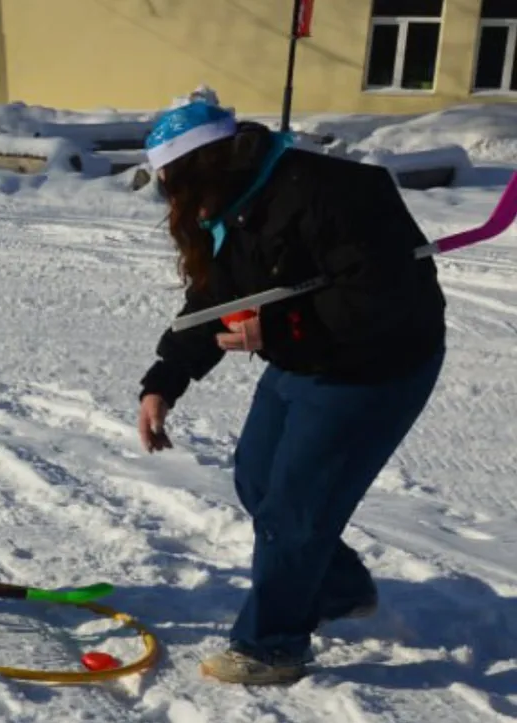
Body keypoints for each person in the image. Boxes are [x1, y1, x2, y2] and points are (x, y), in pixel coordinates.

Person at [137, 92, 446, 685]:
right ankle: (339, 587)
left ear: (205, 165)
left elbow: (383, 302)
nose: (172, 202)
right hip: (305, 357)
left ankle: (272, 645)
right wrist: (165, 381)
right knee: (257, 479)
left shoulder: (333, 194)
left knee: (295, 509)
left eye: (173, 185)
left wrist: (278, 329)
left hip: (376, 367)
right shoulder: (230, 204)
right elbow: (214, 297)